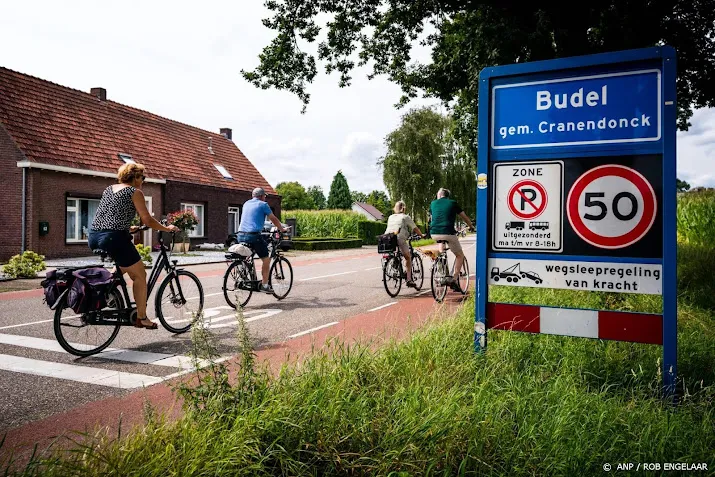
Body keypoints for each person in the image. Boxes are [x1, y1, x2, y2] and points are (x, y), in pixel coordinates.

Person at [88, 163, 179, 329]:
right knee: (140, 275)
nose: (143, 181)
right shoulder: (135, 192)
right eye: (142, 177)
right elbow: (148, 220)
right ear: (135, 177)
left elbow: (109, 217)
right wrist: (167, 228)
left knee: (123, 267)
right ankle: (142, 317)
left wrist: (129, 227)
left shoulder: (109, 189)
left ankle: (106, 293)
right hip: (114, 238)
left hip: (95, 236)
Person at [236, 187, 287, 293]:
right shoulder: (263, 205)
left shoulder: (246, 203)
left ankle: (245, 273)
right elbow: (273, 218)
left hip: (240, 234)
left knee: (248, 256)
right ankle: (264, 285)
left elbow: (252, 218)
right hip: (253, 235)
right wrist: (282, 229)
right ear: (262, 196)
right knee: (266, 259)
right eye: (265, 196)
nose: (265, 198)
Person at [429, 188, 475, 291]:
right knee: (460, 255)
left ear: (440, 195)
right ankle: (454, 279)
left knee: (441, 250)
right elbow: (464, 217)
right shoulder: (453, 203)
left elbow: (432, 218)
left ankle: (442, 273)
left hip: (434, 233)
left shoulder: (433, 203)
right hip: (448, 232)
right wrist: (471, 226)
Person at [384, 201, 423, 288]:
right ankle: (409, 279)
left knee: (397, 251)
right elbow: (415, 228)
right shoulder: (405, 217)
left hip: (388, 238)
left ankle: (395, 261)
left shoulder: (390, 217)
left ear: (395, 208)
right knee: (408, 257)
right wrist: (422, 235)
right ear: (403, 208)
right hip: (399, 238)